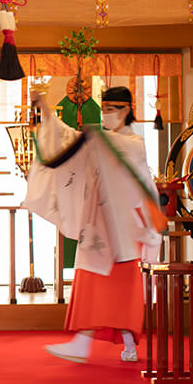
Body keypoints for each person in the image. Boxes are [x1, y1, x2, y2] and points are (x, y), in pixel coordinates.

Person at [25, 86, 162, 364]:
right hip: (99, 222)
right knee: (92, 282)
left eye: (112, 109)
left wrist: (93, 136)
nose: (107, 115)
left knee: (120, 288)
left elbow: (133, 172)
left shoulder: (134, 143)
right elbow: (68, 140)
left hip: (122, 226)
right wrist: (45, 110)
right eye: (105, 109)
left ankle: (102, 344)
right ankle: (101, 344)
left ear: (126, 110)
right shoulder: (103, 140)